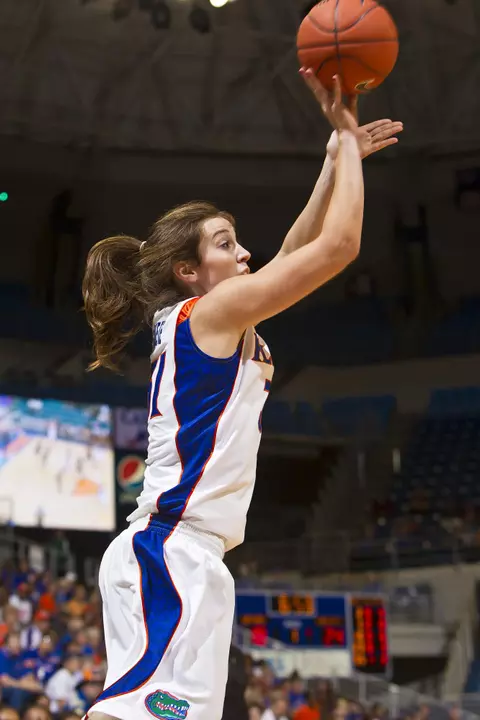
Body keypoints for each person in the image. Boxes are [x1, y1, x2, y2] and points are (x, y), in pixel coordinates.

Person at [81, 69, 402, 720]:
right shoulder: (211, 313)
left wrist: (333, 163)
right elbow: (338, 246)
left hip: (188, 556)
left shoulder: (216, 320)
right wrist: (345, 141)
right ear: (189, 271)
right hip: (170, 551)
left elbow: (290, 252)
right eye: (226, 244)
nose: (246, 252)